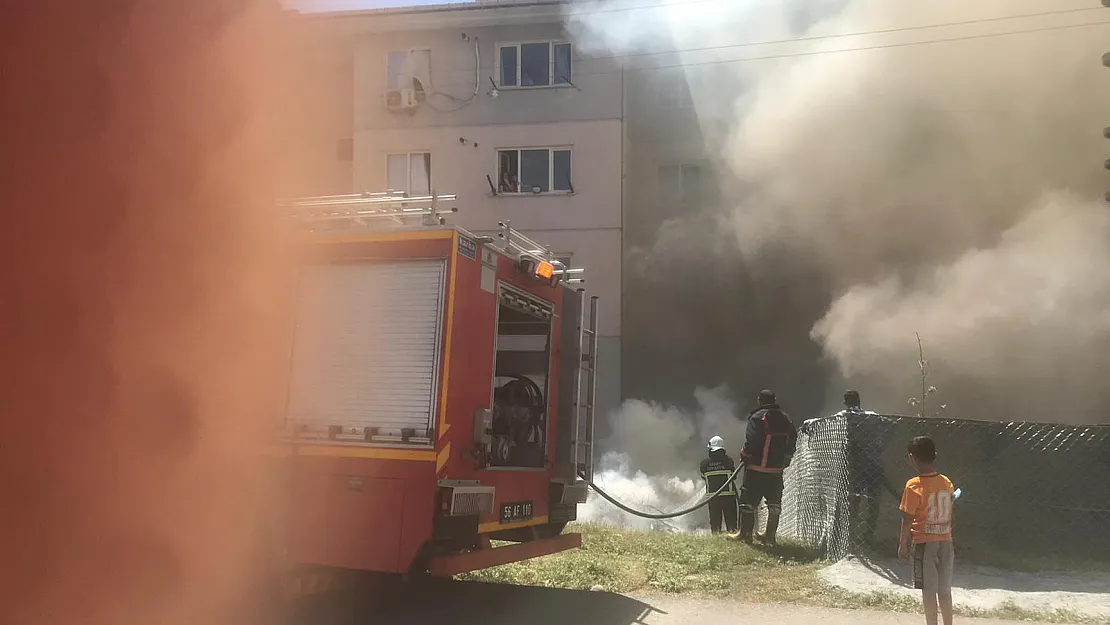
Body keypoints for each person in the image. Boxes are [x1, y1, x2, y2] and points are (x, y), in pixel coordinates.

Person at [898, 436, 956, 625]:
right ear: (934, 456)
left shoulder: (913, 485)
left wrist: (903, 545)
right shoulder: (946, 482)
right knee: (944, 590)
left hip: (925, 544)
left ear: (913, 458)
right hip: (946, 541)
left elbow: (907, 519)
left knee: (929, 592)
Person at [737, 389, 798, 545]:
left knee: (748, 503)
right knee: (774, 504)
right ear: (774, 399)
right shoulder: (786, 418)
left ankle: (746, 535)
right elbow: (792, 439)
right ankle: (770, 537)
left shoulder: (757, 418)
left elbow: (752, 441)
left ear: (759, 400)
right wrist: (786, 459)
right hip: (776, 471)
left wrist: (744, 454)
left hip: (756, 469)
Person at [840, 390, 892, 548]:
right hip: (875, 465)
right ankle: (868, 537)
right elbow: (891, 424)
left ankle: (850, 537)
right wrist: (881, 446)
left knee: (854, 501)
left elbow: (830, 421)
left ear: (845, 402)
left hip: (857, 465)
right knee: (873, 502)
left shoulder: (845, 415)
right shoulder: (872, 415)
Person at [700, 435, 739, 534]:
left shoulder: (704, 463)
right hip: (728, 496)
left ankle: (716, 535)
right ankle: (732, 534)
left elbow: (703, 476)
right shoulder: (728, 461)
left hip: (713, 497)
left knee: (715, 523)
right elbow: (734, 476)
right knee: (731, 524)